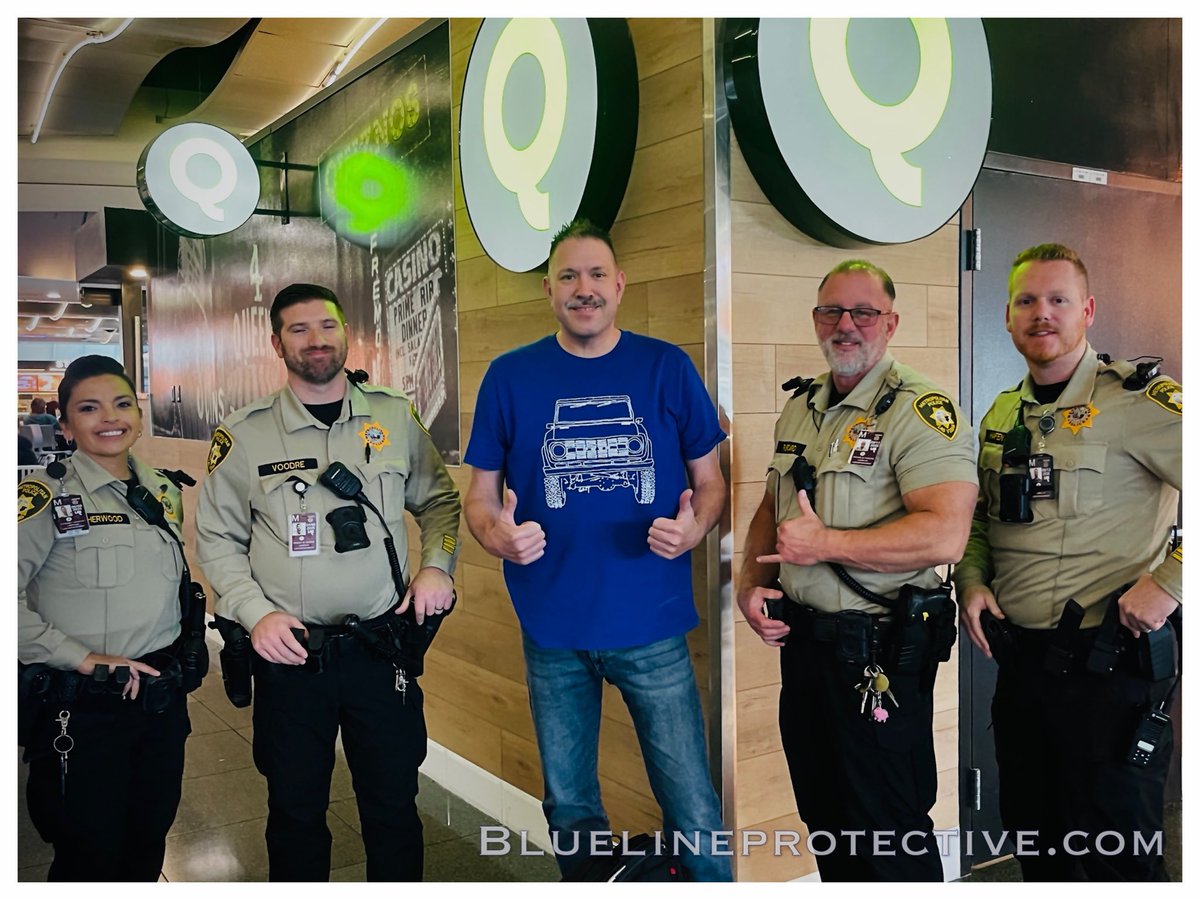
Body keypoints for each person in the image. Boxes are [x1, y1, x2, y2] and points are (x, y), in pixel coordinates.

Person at [463, 219, 731, 881]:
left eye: (595, 275)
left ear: (619, 285)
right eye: (568, 276)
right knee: (571, 805)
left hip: (653, 623)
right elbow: (479, 495)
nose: (583, 289)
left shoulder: (666, 366)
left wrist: (695, 529)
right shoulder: (510, 376)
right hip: (552, 628)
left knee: (693, 802)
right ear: (548, 290)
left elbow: (711, 482)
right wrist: (496, 533)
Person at [195, 283, 461, 882]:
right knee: (294, 810)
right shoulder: (245, 434)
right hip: (292, 656)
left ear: (346, 334)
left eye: (327, 326)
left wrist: (437, 566)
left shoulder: (392, 415)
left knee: (393, 805)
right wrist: (254, 613)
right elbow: (216, 539)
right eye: (299, 329)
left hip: (379, 648)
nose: (316, 340)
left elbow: (440, 501)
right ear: (276, 343)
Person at [737, 260, 978, 881]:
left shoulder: (921, 410)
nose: (845, 325)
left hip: (879, 655)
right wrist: (749, 583)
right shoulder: (803, 406)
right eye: (831, 311)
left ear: (890, 323)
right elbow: (773, 503)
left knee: (888, 829)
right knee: (827, 821)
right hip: (806, 651)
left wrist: (826, 545)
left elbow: (945, 533)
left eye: (863, 312)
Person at [954, 243, 1182, 881]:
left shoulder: (1141, 401)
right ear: (1006, 317)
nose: (1041, 314)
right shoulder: (1002, 413)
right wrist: (971, 581)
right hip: (1024, 667)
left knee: (1116, 851)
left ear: (1086, 310)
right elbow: (979, 519)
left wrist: (1171, 582)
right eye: (1027, 301)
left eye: (1057, 300)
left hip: (1110, 667)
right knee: (1036, 837)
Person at [18, 355, 196, 881]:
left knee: (148, 835)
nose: (109, 418)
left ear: (139, 415)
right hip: (86, 704)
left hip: (161, 698)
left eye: (121, 404)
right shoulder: (44, 498)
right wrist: (82, 657)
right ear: (66, 424)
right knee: (87, 852)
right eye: (89, 408)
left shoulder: (161, 490)